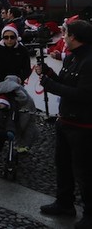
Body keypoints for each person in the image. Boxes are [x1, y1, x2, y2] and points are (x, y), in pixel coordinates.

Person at [37, 19, 92, 228]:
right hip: (65, 121)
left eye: (65, 33)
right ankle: (64, 203)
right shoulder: (70, 59)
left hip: (84, 127)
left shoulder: (89, 61)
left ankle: (90, 213)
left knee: (85, 172)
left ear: (75, 38)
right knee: (63, 166)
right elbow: (65, 83)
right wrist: (48, 74)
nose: (62, 37)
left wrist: (50, 85)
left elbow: (84, 94)